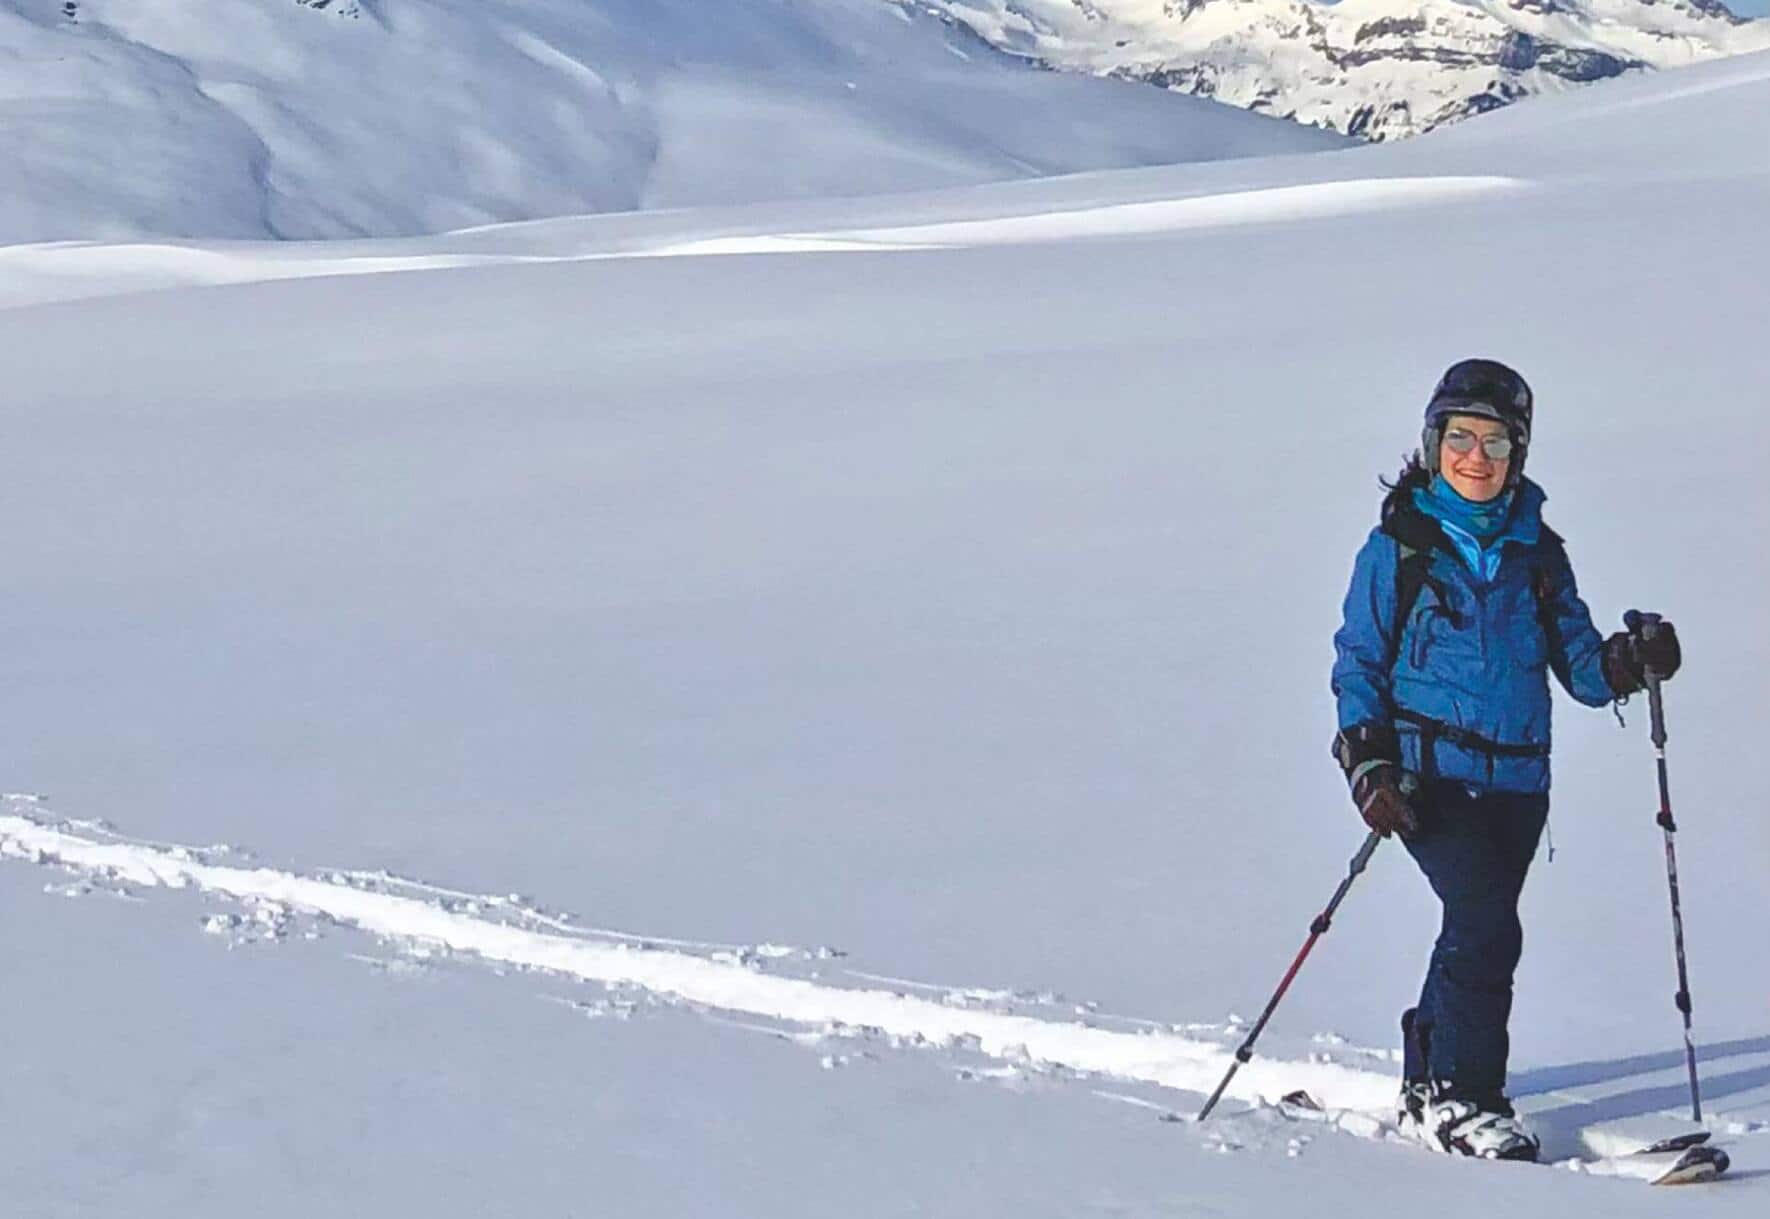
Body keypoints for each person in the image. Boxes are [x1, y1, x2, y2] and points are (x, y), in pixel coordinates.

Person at [1329, 358, 1682, 1161]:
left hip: (1519, 784)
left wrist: (1636, 659)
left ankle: (1425, 1075)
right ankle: (1465, 1097)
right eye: (1460, 437)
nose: (1476, 457)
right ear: (1433, 442)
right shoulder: (1399, 546)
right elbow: (1358, 664)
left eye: (1495, 440)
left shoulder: (1536, 550)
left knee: (1472, 925)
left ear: (1518, 450)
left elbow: (1584, 668)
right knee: (1488, 924)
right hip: (1427, 777)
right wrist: (1370, 765)